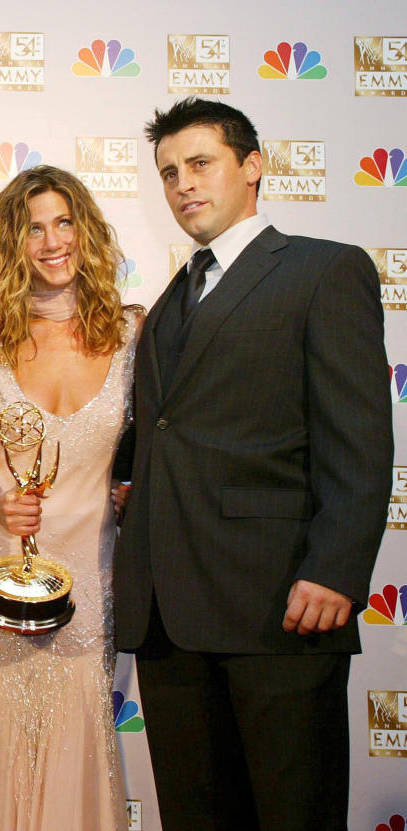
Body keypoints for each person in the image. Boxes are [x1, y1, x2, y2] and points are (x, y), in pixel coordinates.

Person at [115, 98, 392, 831]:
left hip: (279, 604)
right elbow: (164, 427)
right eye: (169, 171)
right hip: (169, 616)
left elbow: (359, 440)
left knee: (292, 811)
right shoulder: (174, 295)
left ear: (254, 166)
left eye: (200, 163)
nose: (182, 184)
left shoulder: (324, 270)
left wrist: (336, 566)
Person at [0, 165, 142, 830]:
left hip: (88, 573)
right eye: (33, 227)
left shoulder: (132, 332)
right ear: (13, 244)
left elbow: (165, 440)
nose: (52, 239)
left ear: (86, 232)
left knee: (79, 729)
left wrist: (136, 490)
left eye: (64, 222)